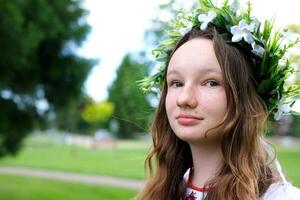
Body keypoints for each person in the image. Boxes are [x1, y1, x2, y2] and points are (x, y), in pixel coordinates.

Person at [137, 0, 300, 199]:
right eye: (176, 83)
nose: (184, 99)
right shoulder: (159, 192)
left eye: (211, 82)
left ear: (246, 97)